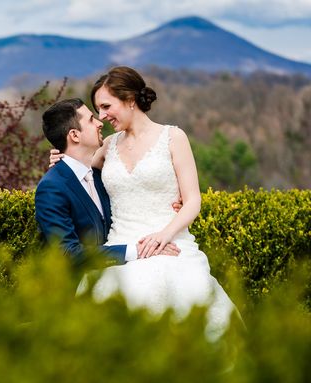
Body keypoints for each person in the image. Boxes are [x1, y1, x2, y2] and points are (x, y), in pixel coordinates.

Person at [48, 67, 235, 338]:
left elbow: (193, 200)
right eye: (97, 110)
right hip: (121, 246)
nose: (102, 116)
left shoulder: (173, 138)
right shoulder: (108, 146)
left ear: (130, 100)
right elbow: (76, 168)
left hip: (170, 242)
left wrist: (163, 236)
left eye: (106, 106)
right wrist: (58, 159)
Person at [36, 98, 181, 267]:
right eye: (91, 119)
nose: (99, 123)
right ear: (74, 135)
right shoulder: (52, 188)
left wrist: (174, 201)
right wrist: (136, 251)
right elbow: (68, 253)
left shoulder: (101, 176)